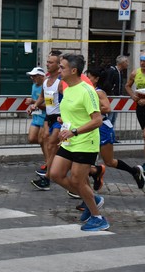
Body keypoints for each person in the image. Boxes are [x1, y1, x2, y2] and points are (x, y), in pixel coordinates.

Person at [49, 53, 109, 231]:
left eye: (62, 67)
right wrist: (63, 121)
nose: (59, 69)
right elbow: (74, 114)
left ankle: (98, 217)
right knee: (56, 174)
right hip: (70, 140)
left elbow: (97, 120)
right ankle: (92, 198)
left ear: (73, 70)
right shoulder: (67, 88)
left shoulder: (87, 90)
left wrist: (74, 131)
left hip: (85, 141)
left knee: (77, 181)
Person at [83, 68, 144, 196]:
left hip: (103, 128)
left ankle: (134, 172)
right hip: (90, 128)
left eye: (88, 77)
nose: (85, 79)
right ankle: (87, 186)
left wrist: (92, 104)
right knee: (84, 160)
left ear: (96, 79)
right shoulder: (84, 91)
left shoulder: (99, 93)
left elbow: (107, 108)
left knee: (109, 161)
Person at [28, 53, 63, 191]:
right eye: (47, 62)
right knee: (48, 144)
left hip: (60, 117)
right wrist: (34, 105)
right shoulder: (46, 81)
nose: (47, 64)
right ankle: (49, 173)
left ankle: (49, 175)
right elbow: (43, 97)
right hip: (49, 116)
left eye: (51, 62)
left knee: (52, 144)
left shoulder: (61, 82)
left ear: (58, 65)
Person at [24, 67, 47, 170]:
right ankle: (51, 147)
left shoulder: (47, 86)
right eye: (31, 76)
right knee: (32, 138)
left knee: (43, 141)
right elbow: (35, 102)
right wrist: (31, 109)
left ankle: (48, 163)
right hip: (36, 117)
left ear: (41, 76)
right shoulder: (34, 85)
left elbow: (48, 106)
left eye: (34, 76)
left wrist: (33, 103)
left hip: (45, 118)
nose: (32, 78)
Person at [124, 53, 145, 162]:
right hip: (140, 107)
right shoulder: (135, 73)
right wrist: (133, 97)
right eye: (141, 60)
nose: (143, 63)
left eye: (144, 61)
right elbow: (127, 86)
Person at [105, 55, 129, 126]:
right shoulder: (112, 71)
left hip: (117, 98)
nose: (128, 64)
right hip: (111, 98)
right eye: (126, 61)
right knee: (110, 117)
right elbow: (107, 84)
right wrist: (111, 94)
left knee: (114, 118)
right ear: (122, 63)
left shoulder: (120, 72)